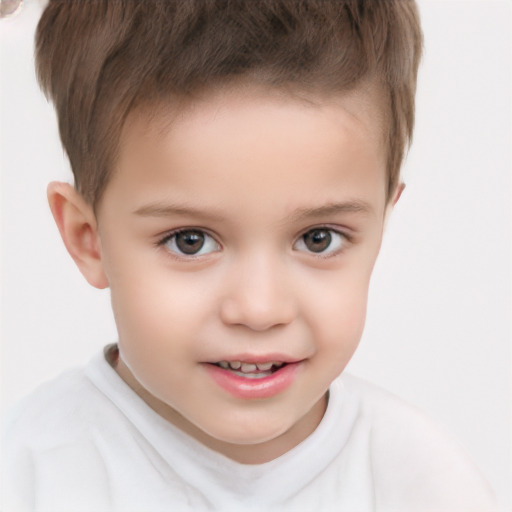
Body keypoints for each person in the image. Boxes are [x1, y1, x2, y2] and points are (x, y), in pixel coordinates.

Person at [2, 1, 498, 511]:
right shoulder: (26, 475)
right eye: (189, 240)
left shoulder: (425, 484)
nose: (260, 310)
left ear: (380, 224)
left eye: (318, 238)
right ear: (88, 237)